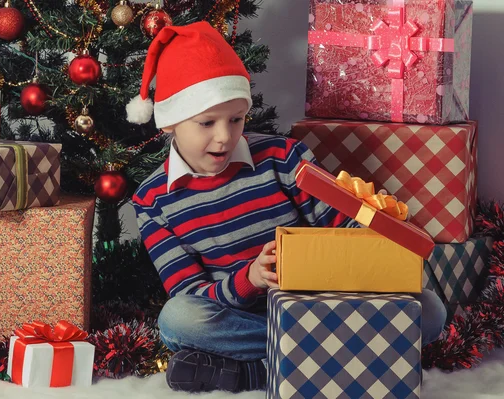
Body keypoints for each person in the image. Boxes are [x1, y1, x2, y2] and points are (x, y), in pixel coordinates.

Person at [128, 21, 447, 393]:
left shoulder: (283, 156)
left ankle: (258, 371)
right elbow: (188, 293)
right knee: (177, 320)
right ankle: (331, 356)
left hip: (321, 305)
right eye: (206, 123)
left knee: (429, 310)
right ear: (169, 124)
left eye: (236, 119)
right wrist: (251, 279)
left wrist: (379, 232)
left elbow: (342, 225)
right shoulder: (151, 200)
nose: (224, 137)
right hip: (242, 318)